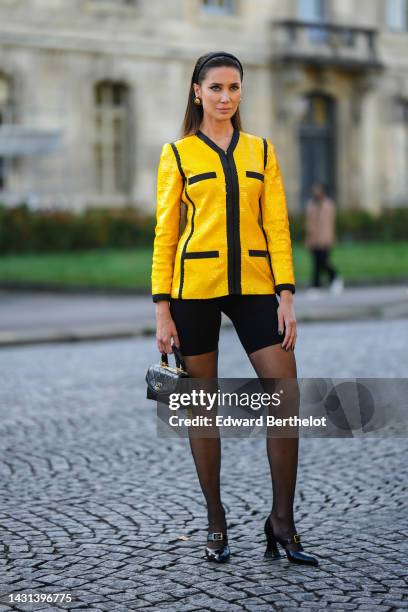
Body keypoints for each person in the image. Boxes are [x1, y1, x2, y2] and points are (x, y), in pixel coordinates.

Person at [151, 51, 318, 566]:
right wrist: (162, 309)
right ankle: (216, 523)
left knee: (284, 396)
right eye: (216, 88)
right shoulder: (177, 154)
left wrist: (286, 295)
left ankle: (282, 523)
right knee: (202, 408)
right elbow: (165, 233)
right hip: (193, 290)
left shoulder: (261, 152)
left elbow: (278, 226)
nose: (226, 97)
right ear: (197, 91)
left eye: (235, 88)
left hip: (255, 288)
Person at [305, 183, 343, 295]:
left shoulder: (328, 205)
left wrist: (329, 239)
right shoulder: (311, 205)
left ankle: (334, 277)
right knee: (316, 263)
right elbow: (309, 224)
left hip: (325, 239)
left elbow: (329, 224)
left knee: (323, 262)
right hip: (314, 239)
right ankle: (316, 286)